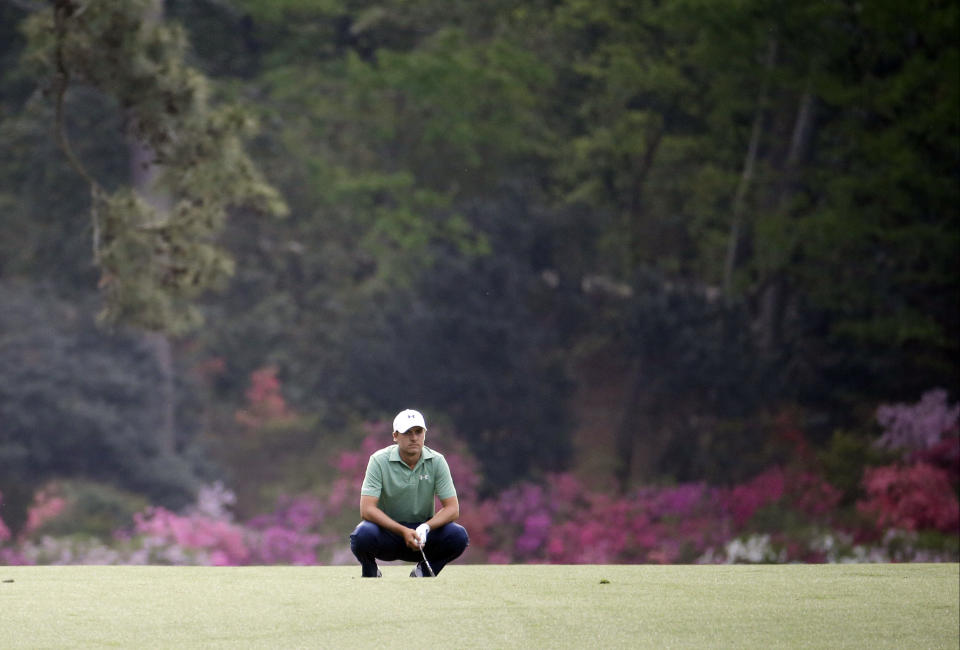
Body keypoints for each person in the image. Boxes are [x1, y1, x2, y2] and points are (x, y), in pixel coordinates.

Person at [349, 409, 469, 577]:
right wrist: (402, 531)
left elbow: (453, 509)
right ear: (395, 436)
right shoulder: (378, 460)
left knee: (458, 536)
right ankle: (370, 573)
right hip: (387, 534)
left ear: (425, 434)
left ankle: (423, 573)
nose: (414, 438)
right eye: (407, 433)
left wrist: (426, 527)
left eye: (418, 432)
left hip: (422, 536)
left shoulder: (437, 461)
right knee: (362, 535)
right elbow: (367, 510)